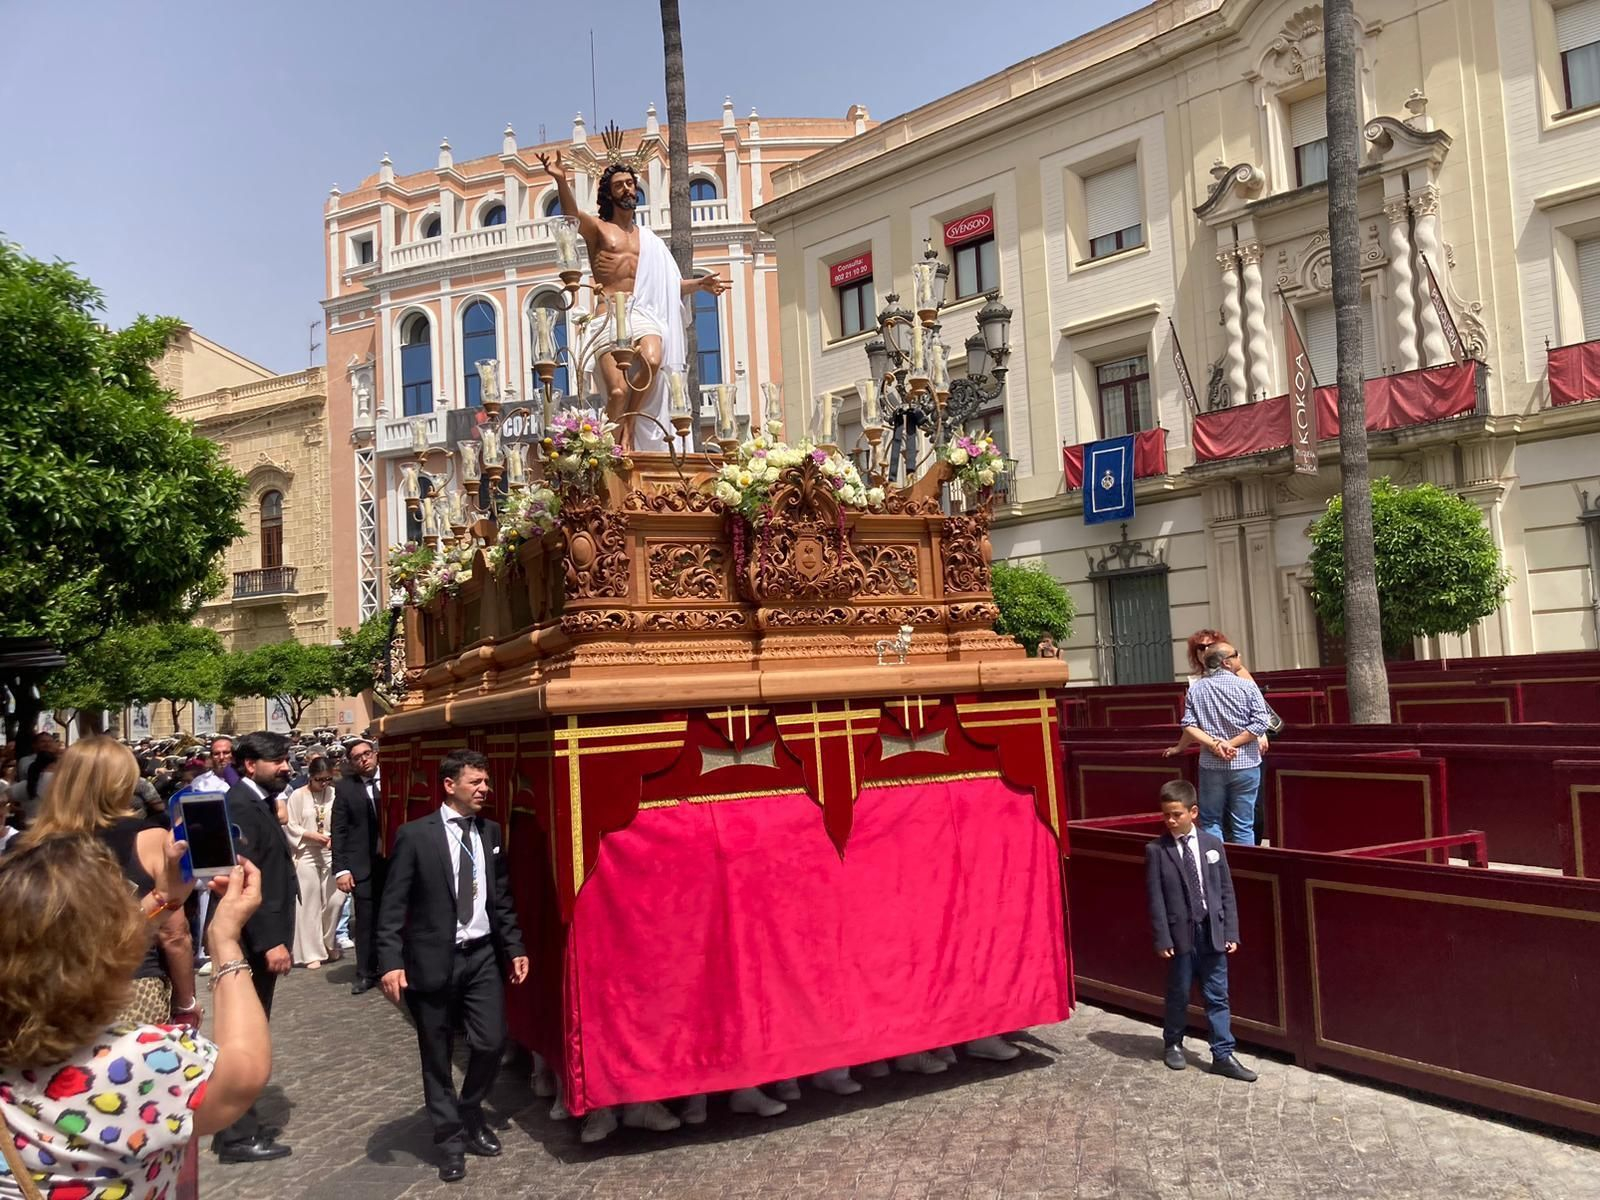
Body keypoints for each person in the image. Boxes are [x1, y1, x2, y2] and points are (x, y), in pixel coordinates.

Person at [0, 838, 273, 1198]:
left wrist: (162, 898)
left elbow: (66, 948)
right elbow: (245, 1070)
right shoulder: (141, 1059)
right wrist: (224, 940)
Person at [377, 748, 528, 1184]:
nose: (485, 789)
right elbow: (393, 905)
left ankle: (470, 1108)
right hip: (433, 959)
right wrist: (390, 962)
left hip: (481, 956)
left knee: (491, 1040)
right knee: (437, 1053)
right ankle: (449, 1140)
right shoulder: (415, 836)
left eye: (486, 782)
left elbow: (502, 897)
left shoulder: (490, 832)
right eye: (475, 782)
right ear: (449, 785)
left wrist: (514, 946)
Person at [537, 145, 725, 451]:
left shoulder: (649, 241)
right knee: (618, 393)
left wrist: (699, 284)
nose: (627, 189)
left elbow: (666, 287)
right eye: (619, 185)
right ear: (609, 194)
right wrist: (559, 179)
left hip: (641, 315)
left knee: (653, 359)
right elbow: (571, 217)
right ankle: (610, 452)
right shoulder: (599, 229)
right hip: (607, 318)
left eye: (630, 183)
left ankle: (630, 424)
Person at [20, 736, 200, 1030]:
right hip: (133, 984)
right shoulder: (151, 840)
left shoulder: (29, 845)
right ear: (124, 783)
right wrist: (185, 1002)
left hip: (55, 990)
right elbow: (174, 934)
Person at [212, 731, 297, 1164]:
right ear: (250, 765)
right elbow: (244, 880)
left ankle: (236, 1121)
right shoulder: (241, 805)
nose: (286, 767)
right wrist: (270, 941)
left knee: (251, 1031)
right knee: (245, 1036)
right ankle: (237, 1134)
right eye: (277, 760)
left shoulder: (256, 801)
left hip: (258, 939)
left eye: (286, 759)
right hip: (252, 943)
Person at [1144, 780, 1257, 1082]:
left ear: (1193, 812)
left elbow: (1226, 890)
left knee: (1217, 995)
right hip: (1181, 935)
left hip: (1212, 931)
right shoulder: (1157, 850)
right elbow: (1155, 898)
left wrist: (1231, 931)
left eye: (1176, 814)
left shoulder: (1212, 844)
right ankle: (1173, 1042)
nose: (1170, 820)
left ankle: (1223, 1053)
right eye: (1166, 815)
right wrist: (1162, 937)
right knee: (1179, 992)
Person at [1163, 642, 1271, 844]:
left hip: (1212, 765)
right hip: (1246, 764)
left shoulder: (1197, 689)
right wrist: (1230, 744)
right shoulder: (1248, 686)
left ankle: (1215, 861)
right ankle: (1244, 863)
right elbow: (1261, 723)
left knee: (1211, 821)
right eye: (1236, 654)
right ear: (1226, 662)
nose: (1240, 657)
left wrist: (1214, 745)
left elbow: (1189, 725)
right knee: (1243, 824)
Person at [332, 738, 386, 995]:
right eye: (357, 757)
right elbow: (339, 829)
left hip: (394, 862)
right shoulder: (345, 788)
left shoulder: (394, 780)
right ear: (351, 763)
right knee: (366, 921)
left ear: (375, 754)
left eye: (367, 754)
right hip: (363, 865)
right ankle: (366, 972)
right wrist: (341, 869)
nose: (364, 759)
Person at [281, 756, 343, 970]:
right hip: (306, 851)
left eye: (327, 779)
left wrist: (336, 838)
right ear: (310, 777)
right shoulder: (298, 796)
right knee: (309, 903)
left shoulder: (334, 794)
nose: (323, 784)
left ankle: (328, 942)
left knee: (335, 900)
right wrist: (311, 835)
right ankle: (311, 952)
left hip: (331, 852)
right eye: (319, 779)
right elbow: (290, 825)